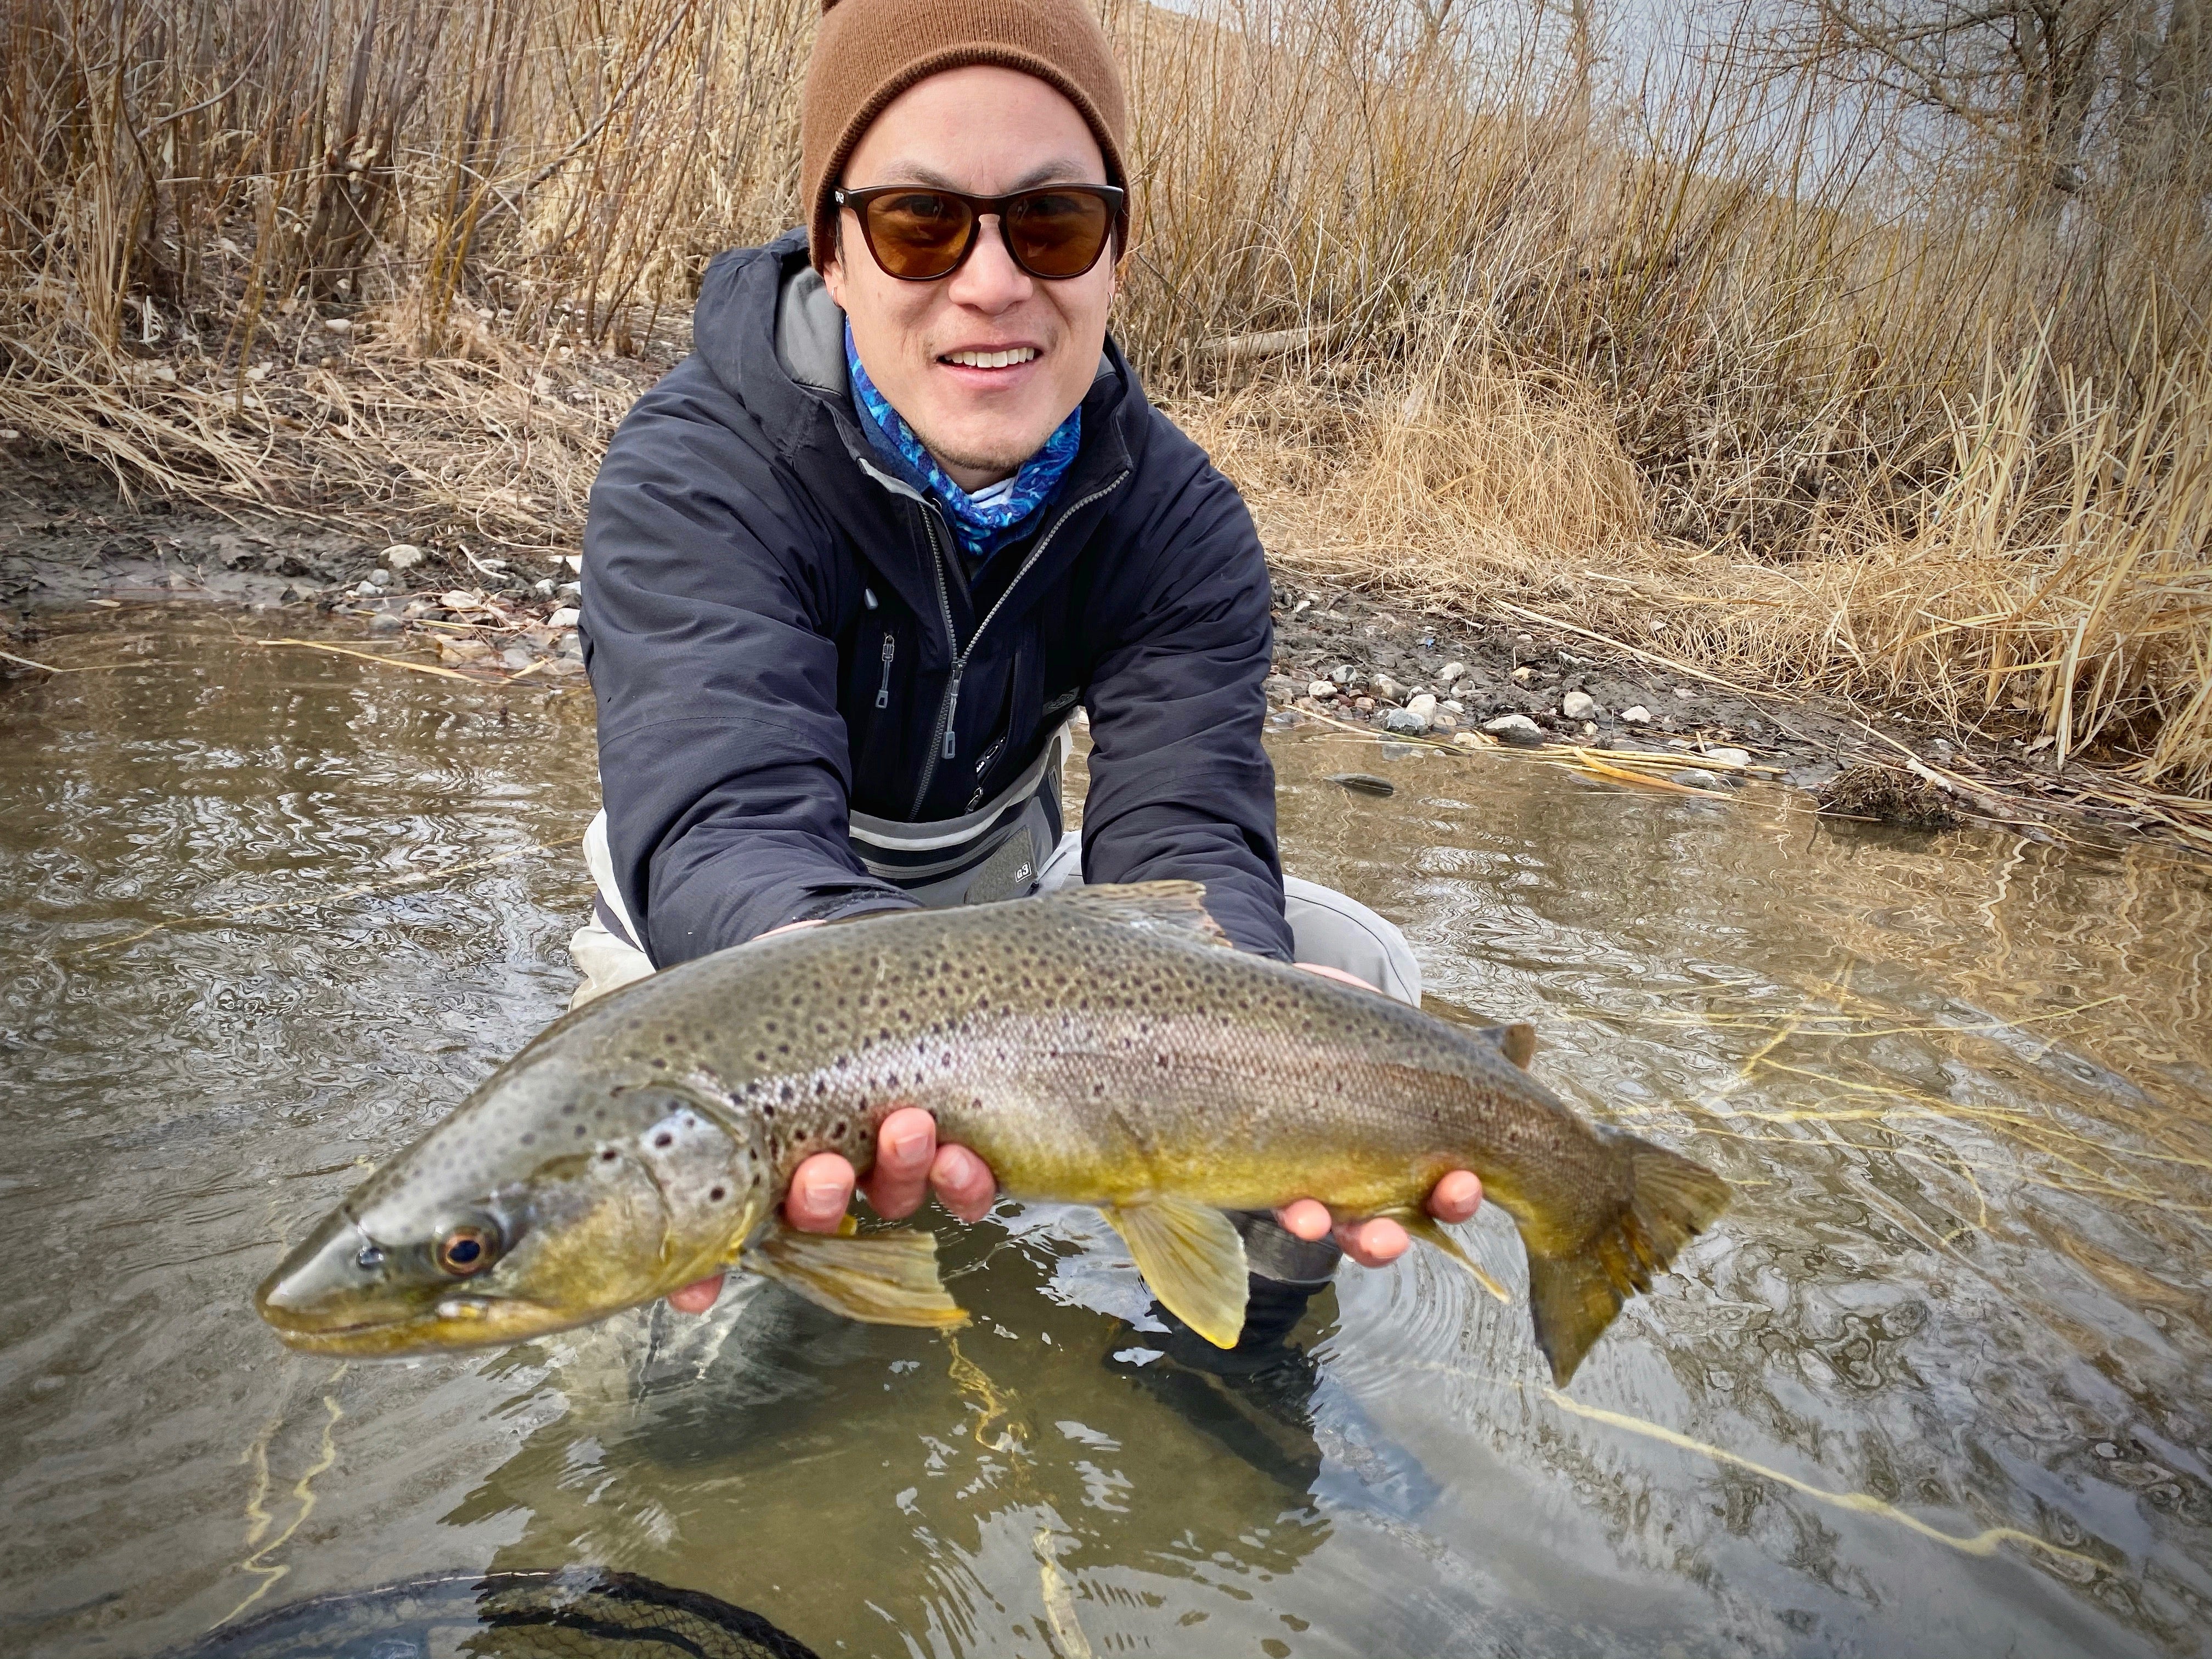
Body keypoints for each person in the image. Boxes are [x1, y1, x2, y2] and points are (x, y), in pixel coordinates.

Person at [569, 0, 1483, 1347]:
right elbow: (726, 820)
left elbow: (1182, 832)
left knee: (1342, 976)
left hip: (1009, 908)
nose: (992, 283)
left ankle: (1233, 1388)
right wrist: (860, 1039)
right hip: (734, 944)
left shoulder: (1177, 523)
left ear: (1115, 251)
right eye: (920, 224)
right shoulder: (697, 473)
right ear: (833, 248)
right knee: (681, 1323)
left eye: (1049, 221)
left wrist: (1264, 1030)